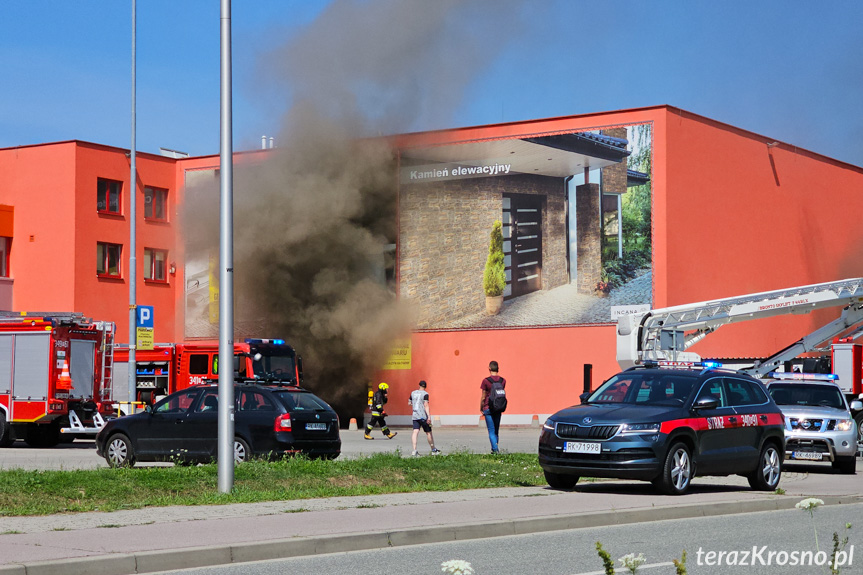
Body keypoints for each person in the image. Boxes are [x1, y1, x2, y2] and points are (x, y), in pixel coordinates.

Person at [409, 380, 441, 456]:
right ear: (425, 386)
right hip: (423, 416)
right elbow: (426, 405)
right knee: (428, 432)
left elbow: (409, 403)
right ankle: (433, 450)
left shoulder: (413, 393)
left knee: (415, 432)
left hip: (415, 415)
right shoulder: (425, 394)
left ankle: (414, 450)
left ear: (419, 385)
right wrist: (429, 416)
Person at [480, 360, 506, 454]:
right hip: (498, 407)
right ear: (498, 368)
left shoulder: (486, 381)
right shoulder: (503, 381)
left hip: (488, 407)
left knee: (491, 430)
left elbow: (483, 396)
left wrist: (481, 407)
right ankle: (495, 448)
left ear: (489, 368)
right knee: (496, 430)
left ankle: (495, 450)